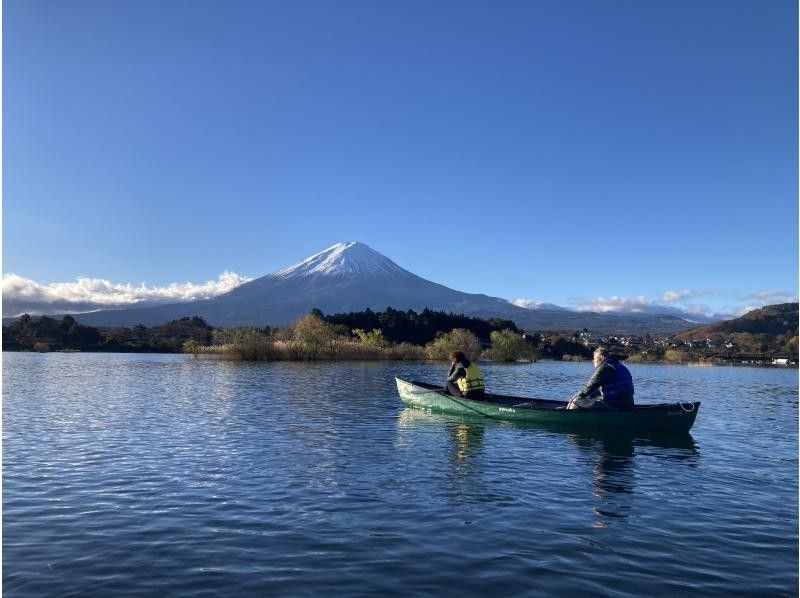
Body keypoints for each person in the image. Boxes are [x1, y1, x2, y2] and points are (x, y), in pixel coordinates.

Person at [567, 347, 634, 410]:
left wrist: (572, 399)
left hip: (613, 405)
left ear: (601, 357)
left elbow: (588, 388)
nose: (593, 361)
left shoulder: (605, 368)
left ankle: (569, 414)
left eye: (594, 358)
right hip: (629, 404)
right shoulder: (621, 366)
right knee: (594, 393)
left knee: (576, 400)